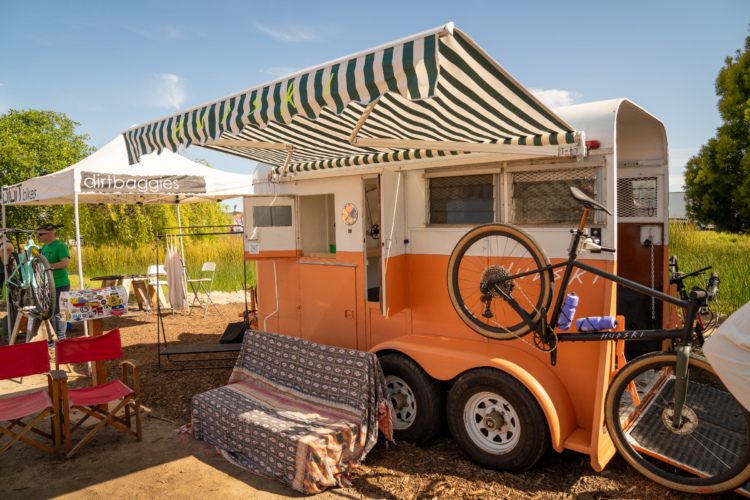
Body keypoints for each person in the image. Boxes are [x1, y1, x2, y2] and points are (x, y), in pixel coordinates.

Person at [37, 224, 70, 343]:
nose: (38, 236)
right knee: (49, 312)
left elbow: (64, 264)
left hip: (60, 284)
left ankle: (61, 338)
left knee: (59, 312)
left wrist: (47, 266)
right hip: (47, 285)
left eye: (40, 234)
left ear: (49, 234)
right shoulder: (45, 246)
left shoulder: (60, 246)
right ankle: (52, 338)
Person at [0, 234, 15, 304]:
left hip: (5, 273)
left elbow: (8, 246)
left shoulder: (4, 240)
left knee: (11, 299)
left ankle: (14, 314)